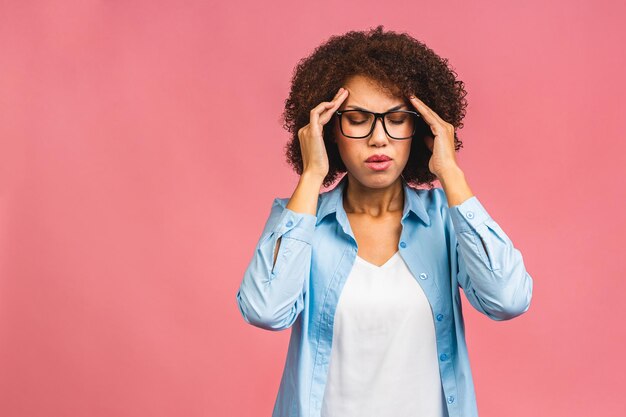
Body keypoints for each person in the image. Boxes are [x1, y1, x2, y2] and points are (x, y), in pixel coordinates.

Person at [235, 25, 533, 417]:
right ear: (329, 132)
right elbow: (265, 309)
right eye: (357, 119)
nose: (379, 138)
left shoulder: (447, 221)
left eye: (396, 118)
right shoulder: (302, 223)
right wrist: (310, 176)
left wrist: (451, 173)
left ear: (420, 128)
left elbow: (508, 299)